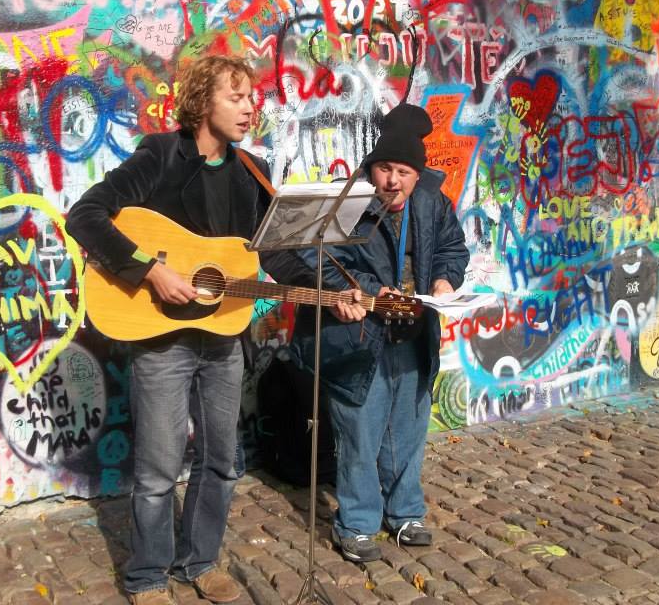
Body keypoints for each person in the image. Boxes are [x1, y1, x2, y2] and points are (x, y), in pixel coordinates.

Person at [65, 55, 363, 605]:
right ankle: (147, 576)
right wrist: (150, 270)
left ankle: (198, 561)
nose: (251, 108)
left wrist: (329, 293)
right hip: (162, 340)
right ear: (203, 102)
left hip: (224, 335)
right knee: (158, 469)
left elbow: (275, 256)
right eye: (237, 97)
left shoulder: (252, 171)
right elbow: (85, 215)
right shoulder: (161, 156)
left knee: (222, 460)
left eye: (252, 98)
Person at [293, 102, 469, 563]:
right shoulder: (348, 201)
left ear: (417, 175)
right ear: (372, 167)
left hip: (414, 331)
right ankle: (357, 524)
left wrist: (445, 280)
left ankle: (406, 513)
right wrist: (369, 291)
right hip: (360, 336)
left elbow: (452, 248)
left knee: (407, 430)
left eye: (403, 172)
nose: (392, 181)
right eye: (384, 169)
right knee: (360, 434)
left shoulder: (432, 203)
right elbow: (318, 259)